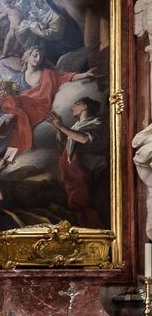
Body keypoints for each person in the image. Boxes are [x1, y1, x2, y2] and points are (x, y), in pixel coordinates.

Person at [46, 97, 106, 228]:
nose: (71, 107)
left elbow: (84, 139)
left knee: (83, 204)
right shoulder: (76, 126)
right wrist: (58, 128)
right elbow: (64, 143)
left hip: (84, 172)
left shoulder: (96, 123)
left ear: (85, 107)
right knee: (76, 206)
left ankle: (95, 234)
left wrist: (61, 126)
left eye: (75, 104)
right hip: (72, 175)